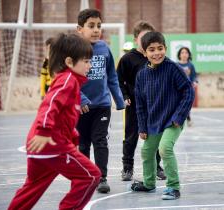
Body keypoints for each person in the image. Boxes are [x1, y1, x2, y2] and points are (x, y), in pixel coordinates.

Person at [8, 33, 101, 210]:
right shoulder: (68, 80)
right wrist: (44, 130)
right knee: (91, 176)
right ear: (69, 62)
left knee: (33, 186)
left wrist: (72, 137)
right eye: (86, 61)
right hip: (51, 143)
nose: (90, 65)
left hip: (40, 146)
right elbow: (50, 104)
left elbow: (64, 116)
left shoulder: (69, 81)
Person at [131, 31, 195, 200]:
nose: (157, 52)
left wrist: (179, 116)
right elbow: (140, 105)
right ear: (144, 52)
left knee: (165, 148)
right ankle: (149, 183)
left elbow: (188, 91)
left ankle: (173, 187)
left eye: (160, 48)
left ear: (165, 48)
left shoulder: (173, 68)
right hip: (153, 122)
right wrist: (142, 127)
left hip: (173, 120)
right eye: (151, 49)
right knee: (146, 152)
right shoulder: (141, 75)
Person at [76, 9, 125, 194]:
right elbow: (69, 77)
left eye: (99, 26)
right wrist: (80, 99)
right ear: (80, 29)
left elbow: (112, 75)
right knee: (83, 144)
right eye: (91, 26)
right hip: (81, 108)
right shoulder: (75, 49)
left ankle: (101, 177)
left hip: (102, 105)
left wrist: (118, 99)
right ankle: (84, 177)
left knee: (100, 141)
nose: (96, 30)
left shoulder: (104, 48)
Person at [117, 21, 166, 182]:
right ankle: (127, 168)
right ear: (136, 39)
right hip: (134, 106)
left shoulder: (156, 58)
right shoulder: (127, 59)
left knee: (156, 137)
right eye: (143, 37)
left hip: (153, 106)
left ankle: (157, 167)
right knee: (131, 137)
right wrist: (125, 96)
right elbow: (119, 80)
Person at [177, 47, 198, 127]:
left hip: (188, 88)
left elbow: (194, 76)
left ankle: (188, 118)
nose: (184, 54)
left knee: (187, 104)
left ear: (189, 54)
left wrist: (195, 82)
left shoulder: (190, 65)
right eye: (182, 52)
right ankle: (182, 118)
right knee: (179, 104)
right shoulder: (177, 65)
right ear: (179, 54)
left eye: (186, 53)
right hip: (179, 88)